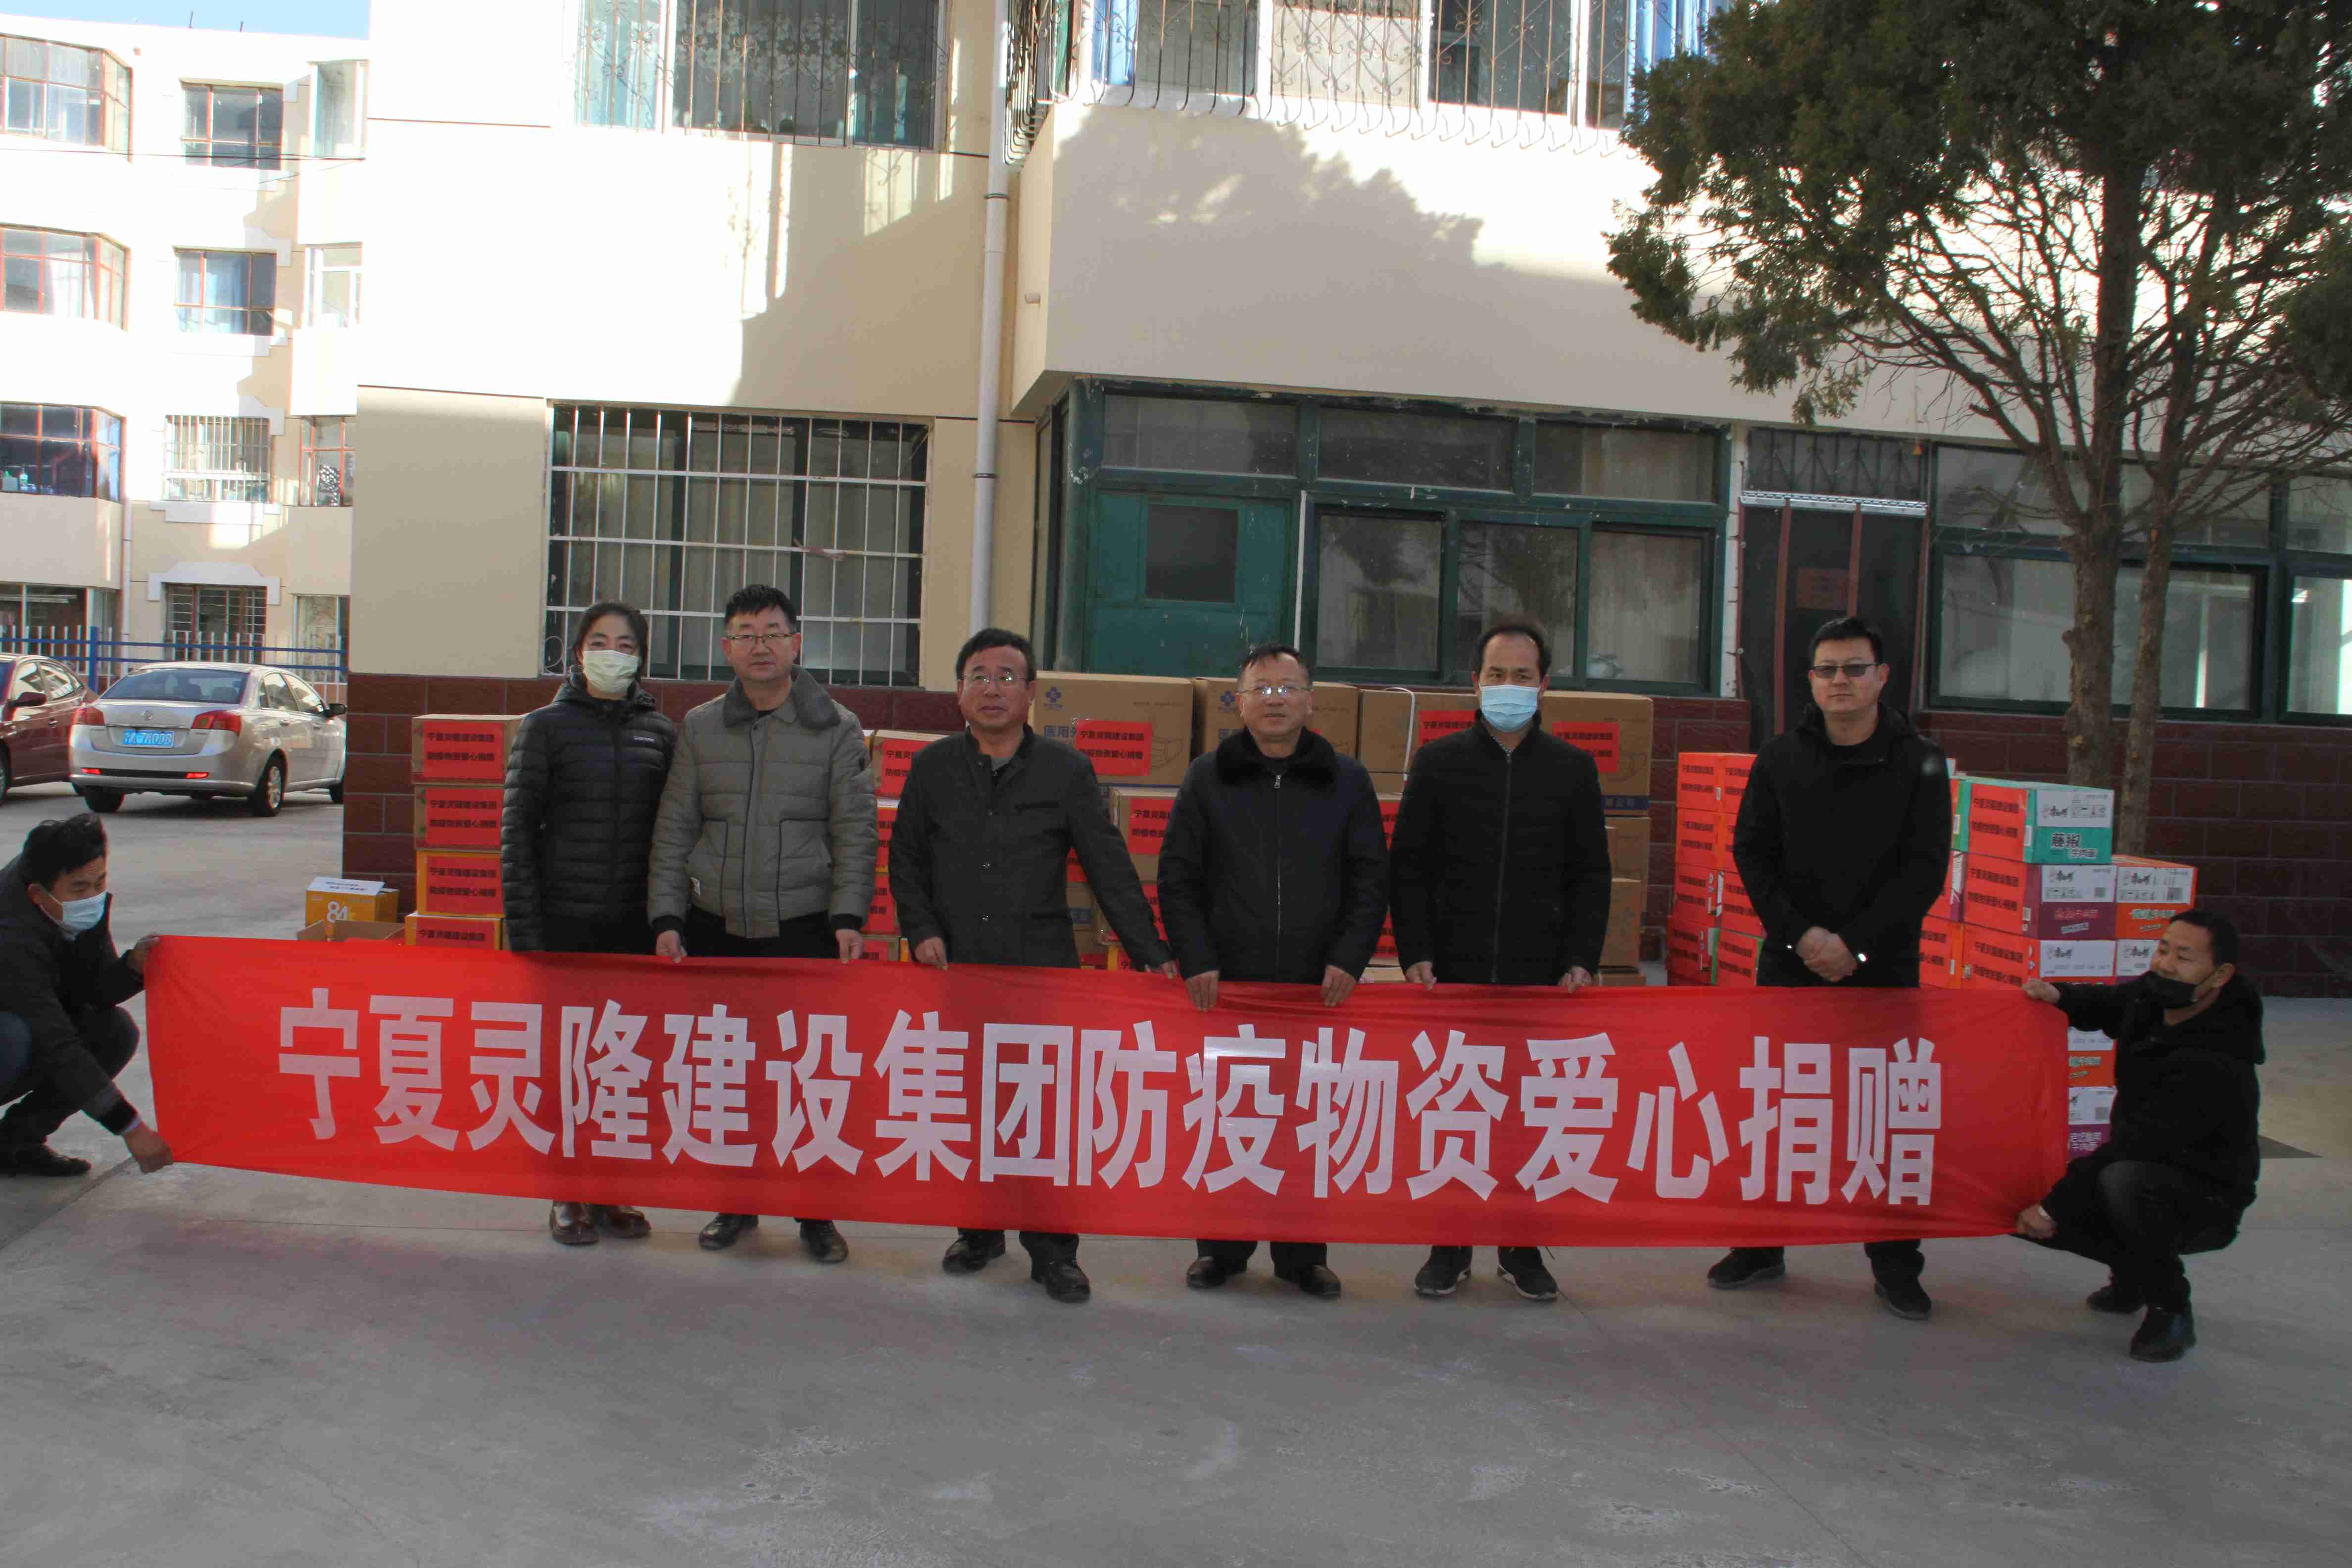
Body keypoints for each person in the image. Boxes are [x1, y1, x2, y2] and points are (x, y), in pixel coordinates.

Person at [889, 628, 1177, 1304]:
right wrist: (921, 930)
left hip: (1040, 974)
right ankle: (979, 1232)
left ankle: (1054, 1252)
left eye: (1006, 677)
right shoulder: (932, 769)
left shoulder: (1065, 770)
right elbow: (905, 860)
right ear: (959, 691)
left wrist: (1153, 954)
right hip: (958, 969)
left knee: (1046, 1115)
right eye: (978, 676)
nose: (991, 690)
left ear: (1030, 693)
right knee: (970, 1106)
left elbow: (1108, 865)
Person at [1708, 615, 1951, 1319]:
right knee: (1776, 1110)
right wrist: (1802, 936)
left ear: (1882, 676)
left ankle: (1896, 1264)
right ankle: (1760, 1245)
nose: (1839, 682)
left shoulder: (1921, 762)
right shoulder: (1780, 758)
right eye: (1826, 670)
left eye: (1854, 668)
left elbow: (1925, 870)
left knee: (1886, 1119)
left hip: (1883, 970)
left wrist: (1857, 946)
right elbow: (1752, 853)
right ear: (1811, 681)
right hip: (1791, 965)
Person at [649, 584, 878, 1261]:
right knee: (729, 1075)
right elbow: (675, 827)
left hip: (804, 927)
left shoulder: (837, 728)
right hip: (716, 925)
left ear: (796, 643)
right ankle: (735, 1203)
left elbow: (855, 831)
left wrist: (849, 914)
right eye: (746, 634)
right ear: (727, 648)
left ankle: (815, 1214)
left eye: (773, 632)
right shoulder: (700, 728)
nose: (760, 645)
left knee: (808, 1075)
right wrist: (667, 913)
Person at [1388, 621, 1613, 1304]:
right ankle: (1449, 1246)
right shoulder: (1439, 762)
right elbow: (1410, 867)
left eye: (1522, 676)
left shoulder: (1572, 769)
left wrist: (1581, 956)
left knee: (1528, 1115)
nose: (1508, 687)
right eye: (1497, 675)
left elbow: (1591, 874)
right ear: (1475, 683)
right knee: (1455, 1106)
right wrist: (1415, 950)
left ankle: (1521, 1248)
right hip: (1452, 971)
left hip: (1538, 974)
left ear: (1544, 685)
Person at [1160, 643, 1388, 1301]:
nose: (1275, 699)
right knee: (1231, 1115)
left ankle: (1303, 1256)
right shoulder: (1208, 777)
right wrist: (1198, 957)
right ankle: (1221, 1250)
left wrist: (1349, 957)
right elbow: (1178, 877)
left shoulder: (1347, 781)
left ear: (1311, 701)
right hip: (1230, 987)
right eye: (1261, 688)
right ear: (1239, 702)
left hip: (1318, 988)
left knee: (1308, 1123)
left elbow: (1370, 878)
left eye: (1288, 688)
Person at [503, 600, 677, 1247]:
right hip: (563, 928)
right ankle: (566, 1194)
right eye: (599, 642)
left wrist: (666, 921)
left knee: (622, 1065)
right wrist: (527, 934)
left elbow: (671, 836)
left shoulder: (661, 733)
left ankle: (612, 1189)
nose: (612, 654)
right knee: (565, 1066)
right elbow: (517, 835)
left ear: (642, 658)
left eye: (626, 645)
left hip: (631, 931)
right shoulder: (544, 728)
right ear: (577, 653)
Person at [2014, 909, 2261, 1363]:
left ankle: (2171, 1307)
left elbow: (2138, 1144)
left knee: (2119, 1183)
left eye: (2183, 957)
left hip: (2206, 1195)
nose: (2165, 964)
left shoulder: (2218, 1058)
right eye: (2163, 949)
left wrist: (2053, 1206)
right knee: (2025, 1191)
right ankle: (2134, 1277)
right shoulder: (2154, 997)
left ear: (2221, 975)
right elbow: (2110, 1003)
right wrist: (2059, 996)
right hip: (2145, 1169)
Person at [0, 815, 173, 1178]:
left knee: (114, 1032)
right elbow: (55, 1041)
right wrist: (131, 1128)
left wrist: (132, 968)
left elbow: (92, 992)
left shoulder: (73, 900)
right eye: (79, 888)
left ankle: (15, 1143)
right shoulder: (11, 934)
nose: (92, 897)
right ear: (38, 895)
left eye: (100, 882)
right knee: (14, 1038)